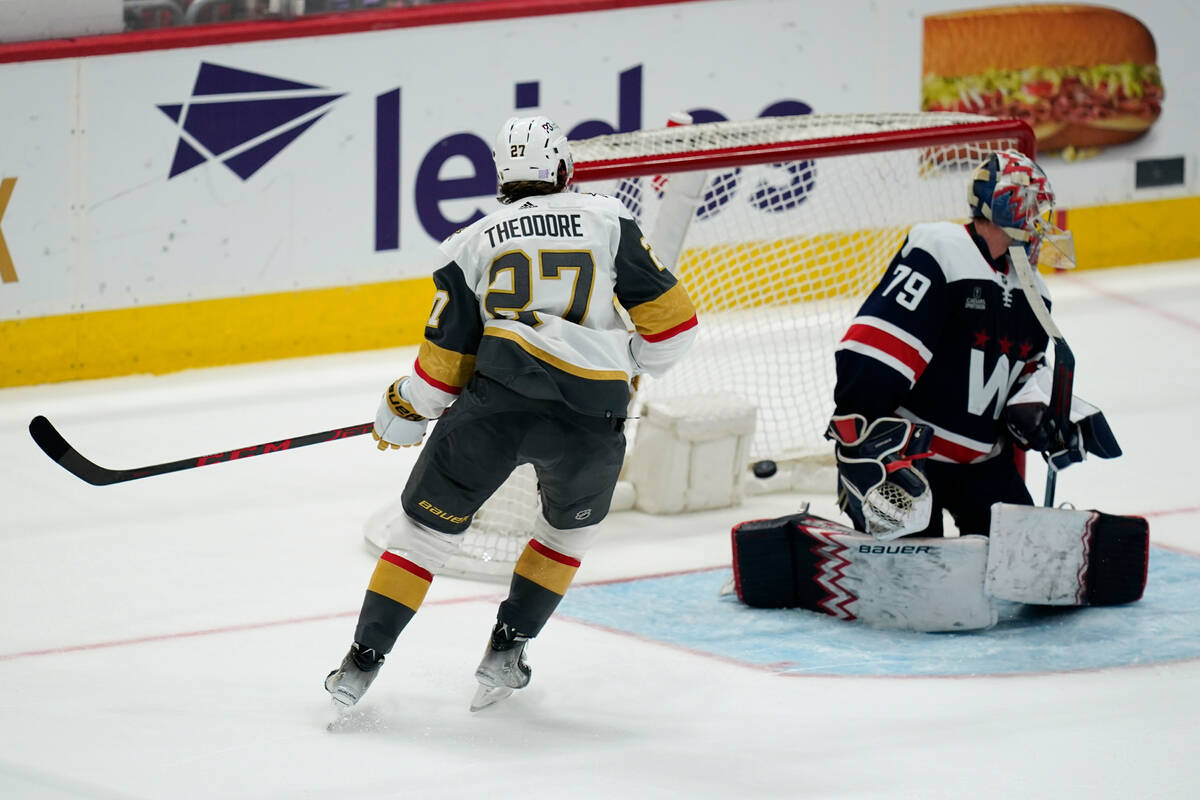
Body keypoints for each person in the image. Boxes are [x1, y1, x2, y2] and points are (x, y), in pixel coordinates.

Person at [324, 115, 699, 712]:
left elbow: (444, 366)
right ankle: (507, 649)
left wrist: (405, 405)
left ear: (501, 176)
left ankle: (359, 665)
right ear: (562, 168)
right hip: (591, 418)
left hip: (495, 410)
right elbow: (674, 327)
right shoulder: (607, 219)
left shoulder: (469, 242)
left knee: (420, 537)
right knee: (566, 533)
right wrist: (627, 359)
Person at [825, 149, 1118, 541]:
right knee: (915, 582)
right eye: (1033, 211)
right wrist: (859, 440)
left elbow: (1022, 372)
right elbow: (873, 353)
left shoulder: (1035, 291)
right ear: (1008, 208)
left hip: (983, 465)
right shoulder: (941, 250)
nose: (1039, 225)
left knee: (1026, 556)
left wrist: (1044, 410)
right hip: (910, 460)